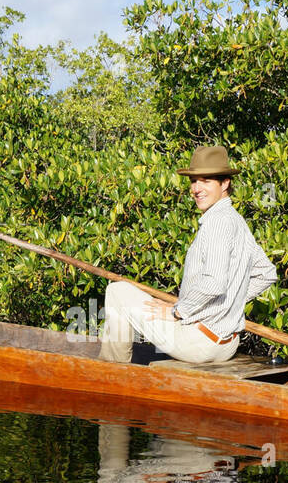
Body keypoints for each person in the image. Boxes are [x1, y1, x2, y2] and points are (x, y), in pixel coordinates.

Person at [99, 145, 277, 365]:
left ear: (225, 183)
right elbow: (267, 273)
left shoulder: (218, 223)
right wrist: (227, 303)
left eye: (206, 181)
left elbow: (214, 284)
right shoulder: (236, 220)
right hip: (227, 344)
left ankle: (111, 372)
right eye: (194, 181)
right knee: (135, 297)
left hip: (199, 343)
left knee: (117, 291)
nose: (196, 189)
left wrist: (178, 312)